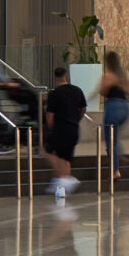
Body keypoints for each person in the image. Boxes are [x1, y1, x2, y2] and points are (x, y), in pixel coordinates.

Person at [42, 63, 86, 198]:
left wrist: (51, 128)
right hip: (74, 128)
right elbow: (83, 108)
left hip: (60, 129)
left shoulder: (54, 94)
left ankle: (65, 179)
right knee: (66, 159)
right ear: (65, 76)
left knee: (47, 151)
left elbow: (50, 117)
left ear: (56, 78)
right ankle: (62, 189)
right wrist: (77, 119)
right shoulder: (77, 90)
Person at [97, 51, 129, 176]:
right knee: (114, 136)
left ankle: (115, 170)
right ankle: (119, 154)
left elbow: (102, 90)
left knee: (110, 139)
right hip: (125, 108)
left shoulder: (108, 76)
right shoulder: (125, 76)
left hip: (113, 107)